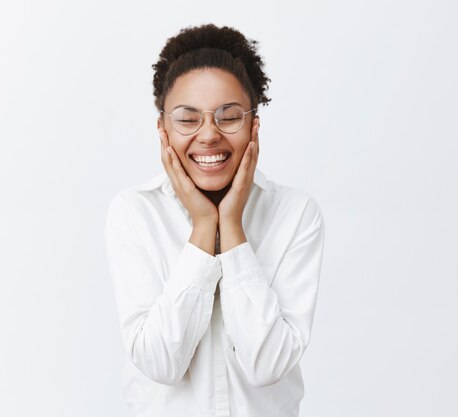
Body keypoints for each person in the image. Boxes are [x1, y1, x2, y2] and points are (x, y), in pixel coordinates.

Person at [105, 24, 325, 417]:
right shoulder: (135, 212)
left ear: (254, 125)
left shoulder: (296, 214)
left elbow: (267, 365)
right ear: (163, 130)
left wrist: (233, 229)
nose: (208, 135)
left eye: (228, 116)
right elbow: (159, 363)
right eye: (188, 119)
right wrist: (204, 228)